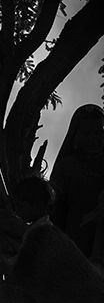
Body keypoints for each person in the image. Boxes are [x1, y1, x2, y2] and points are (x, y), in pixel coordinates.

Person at [50, 104, 104, 258]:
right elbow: (54, 209)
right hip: (75, 243)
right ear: (76, 137)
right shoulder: (66, 167)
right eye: (87, 134)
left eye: (98, 133)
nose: (94, 139)